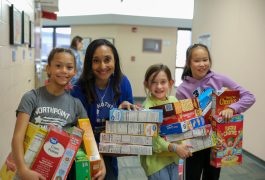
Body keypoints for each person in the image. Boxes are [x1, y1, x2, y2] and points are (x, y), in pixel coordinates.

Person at [11, 48, 106, 180]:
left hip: (57, 173)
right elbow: (17, 137)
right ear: (48, 68)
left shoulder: (76, 104)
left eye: (69, 67)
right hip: (28, 172)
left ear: (74, 72)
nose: (64, 71)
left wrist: (100, 161)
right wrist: (22, 170)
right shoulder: (31, 98)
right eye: (58, 66)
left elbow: (88, 139)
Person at [176, 43, 256, 180]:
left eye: (205, 59)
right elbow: (183, 120)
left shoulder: (220, 79)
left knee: (212, 177)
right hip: (194, 143)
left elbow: (249, 97)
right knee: (191, 176)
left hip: (217, 142)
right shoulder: (182, 90)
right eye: (197, 60)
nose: (202, 64)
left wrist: (232, 108)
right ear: (188, 63)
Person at [71, 39, 136, 180]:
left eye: (107, 60)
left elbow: (129, 128)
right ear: (89, 63)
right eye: (96, 61)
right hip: (84, 149)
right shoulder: (78, 89)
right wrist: (96, 154)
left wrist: (123, 114)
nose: (102, 66)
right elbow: (78, 129)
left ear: (115, 61)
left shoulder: (123, 83)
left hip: (110, 150)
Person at [140, 63, 192, 180]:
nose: (159, 86)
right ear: (146, 84)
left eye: (163, 82)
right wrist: (175, 147)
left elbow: (180, 126)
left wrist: (184, 142)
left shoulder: (173, 101)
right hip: (156, 163)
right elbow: (153, 141)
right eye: (154, 82)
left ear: (170, 83)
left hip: (174, 158)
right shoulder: (147, 108)